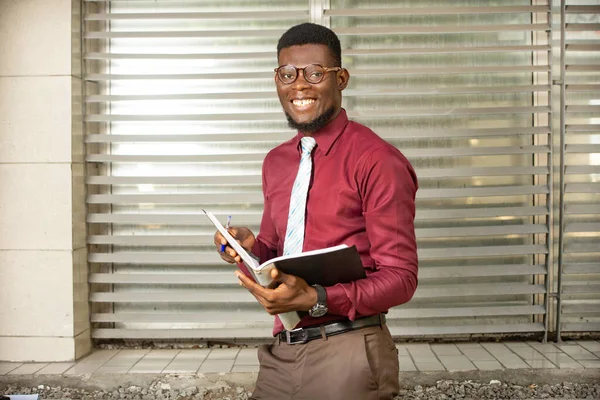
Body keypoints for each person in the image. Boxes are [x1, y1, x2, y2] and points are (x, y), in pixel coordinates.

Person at [213, 22, 418, 400]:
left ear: (340, 78)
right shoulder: (276, 162)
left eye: (315, 73)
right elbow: (275, 253)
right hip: (282, 351)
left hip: (349, 351)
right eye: (287, 74)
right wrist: (247, 249)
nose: (300, 85)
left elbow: (401, 278)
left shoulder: (377, 161)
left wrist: (318, 298)